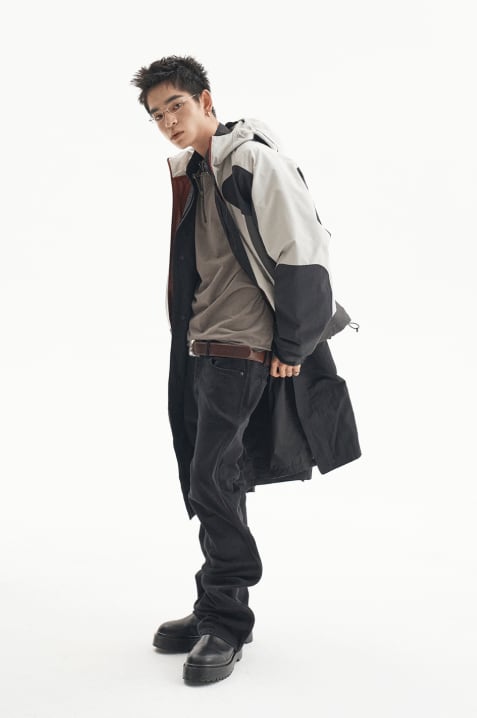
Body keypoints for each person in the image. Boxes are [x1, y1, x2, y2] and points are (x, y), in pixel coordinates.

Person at [130, 55, 361, 685]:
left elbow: (305, 250)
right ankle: (217, 604)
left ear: (206, 100)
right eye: (156, 115)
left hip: (245, 347)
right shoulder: (196, 172)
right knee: (212, 477)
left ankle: (227, 622)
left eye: (176, 106)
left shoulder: (251, 161)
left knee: (211, 477)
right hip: (202, 345)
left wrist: (293, 344)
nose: (168, 121)